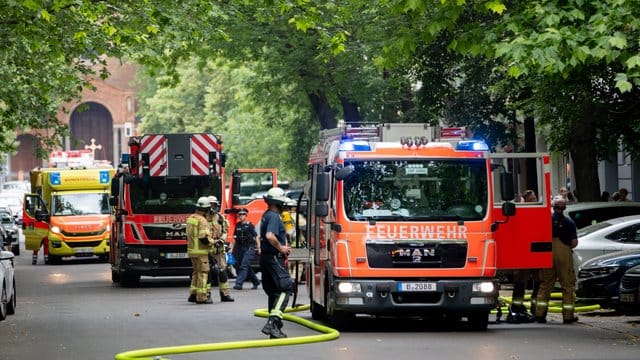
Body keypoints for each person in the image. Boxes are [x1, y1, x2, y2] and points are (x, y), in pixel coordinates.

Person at [535, 196, 579, 324]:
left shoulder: (545, 221)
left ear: (553, 207)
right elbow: (574, 243)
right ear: (564, 208)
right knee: (567, 285)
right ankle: (568, 316)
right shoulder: (569, 223)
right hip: (564, 253)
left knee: (546, 284)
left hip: (548, 253)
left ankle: (540, 314)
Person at [259, 187, 293, 339]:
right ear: (278, 202)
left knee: (274, 292)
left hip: (267, 258)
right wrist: (282, 248)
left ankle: (275, 328)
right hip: (274, 257)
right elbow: (270, 236)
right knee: (285, 288)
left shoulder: (266, 215)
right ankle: (273, 323)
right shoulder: (273, 216)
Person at [507, 189, 539, 323]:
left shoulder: (539, 212)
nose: (534, 201)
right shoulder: (520, 212)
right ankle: (517, 306)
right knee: (520, 282)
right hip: (523, 254)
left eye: (534, 198)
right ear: (525, 201)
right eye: (531, 199)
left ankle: (536, 309)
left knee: (539, 281)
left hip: (536, 252)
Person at [206, 195, 234, 302]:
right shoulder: (203, 219)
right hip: (207, 249)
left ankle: (225, 294)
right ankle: (207, 295)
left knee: (223, 271)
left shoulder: (220, 218)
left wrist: (222, 239)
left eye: (214, 205)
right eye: (211, 205)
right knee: (208, 273)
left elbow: (225, 231)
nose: (213, 207)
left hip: (219, 249)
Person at [186, 197, 213, 304]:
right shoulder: (202, 220)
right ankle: (201, 297)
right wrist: (213, 243)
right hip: (201, 252)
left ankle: (193, 295)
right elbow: (203, 238)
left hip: (192, 251)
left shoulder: (191, 218)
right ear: (206, 209)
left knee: (196, 273)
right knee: (203, 273)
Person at [232, 208, 261, 290]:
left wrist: (258, 247)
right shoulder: (237, 225)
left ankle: (239, 283)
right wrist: (231, 249)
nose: (241, 216)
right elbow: (234, 238)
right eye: (240, 215)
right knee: (246, 266)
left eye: (243, 214)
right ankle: (255, 281)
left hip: (249, 248)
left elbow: (256, 236)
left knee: (244, 265)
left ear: (246, 215)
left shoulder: (250, 225)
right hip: (240, 248)